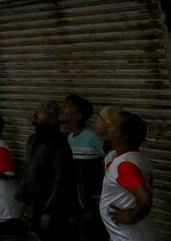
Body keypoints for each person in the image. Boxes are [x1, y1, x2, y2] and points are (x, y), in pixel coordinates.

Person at [18, 103, 77, 241]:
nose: (36, 114)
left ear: (52, 119)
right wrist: (23, 200)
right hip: (36, 206)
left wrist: (50, 211)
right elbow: (29, 171)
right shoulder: (35, 140)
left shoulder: (58, 142)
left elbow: (61, 178)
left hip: (52, 209)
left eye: (41, 112)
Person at [96, 109, 153, 241]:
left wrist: (131, 217)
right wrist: (107, 196)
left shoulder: (124, 165)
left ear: (124, 136)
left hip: (129, 236)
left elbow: (145, 200)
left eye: (112, 124)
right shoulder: (134, 157)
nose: (108, 125)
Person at [61, 95, 106, 240]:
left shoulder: (92, 138)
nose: (62, 109)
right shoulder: (70, 138)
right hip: (80, 202)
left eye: (67, 106)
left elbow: (110, 160)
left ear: (77, 116)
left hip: (93, 202)